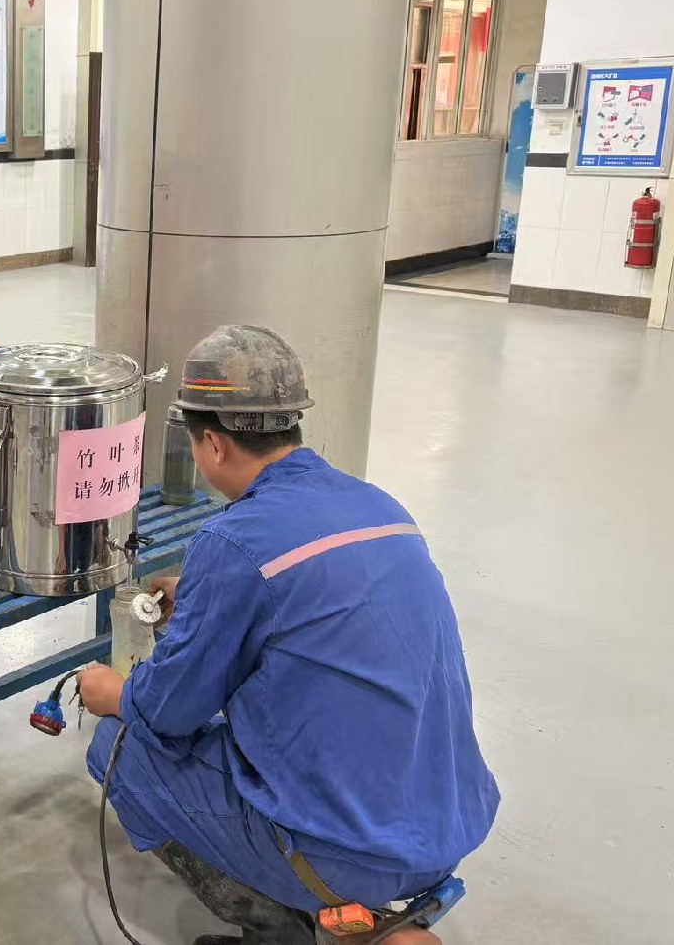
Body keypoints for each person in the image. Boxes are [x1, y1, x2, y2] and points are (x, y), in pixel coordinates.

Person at [77, 326, 499, 944]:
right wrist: (200, 600)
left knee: (118, 746)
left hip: (349, 850)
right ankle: (380, 918)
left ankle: (293, 923)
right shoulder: (381, 507)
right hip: (445, 827)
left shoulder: (234, 543)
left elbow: (169, 712)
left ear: (213, 445)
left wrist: (114, 692)